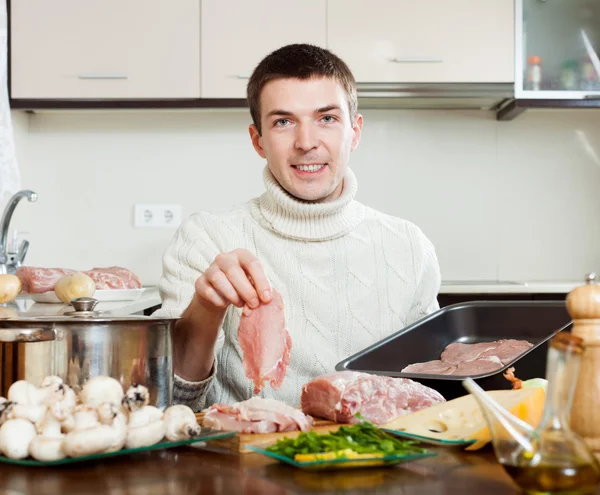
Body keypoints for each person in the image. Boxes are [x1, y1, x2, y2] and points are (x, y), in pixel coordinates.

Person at [153, 44, 441, 412]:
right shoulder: (206, 238)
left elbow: (428, 397)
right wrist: (206, 309)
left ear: (354, 131)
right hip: (245, 460)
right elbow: (171, 402)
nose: (306, 143)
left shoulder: (409, 246)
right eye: (283, 122)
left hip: (375, 459)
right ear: (258, 140)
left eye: (327, 118)